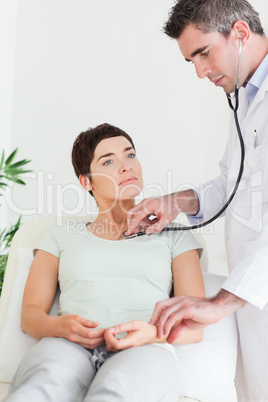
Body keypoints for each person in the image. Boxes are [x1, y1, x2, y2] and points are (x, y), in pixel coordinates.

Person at [125, 0, 268, 400]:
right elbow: (234, 181)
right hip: (255, 301)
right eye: (191, 61)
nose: (201, 72)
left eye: (203, 53)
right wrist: (177, 201)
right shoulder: (246, 97)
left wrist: (219, 304)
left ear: (239, 33)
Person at [4, 123, 205, 402]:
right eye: (108, 161)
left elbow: (195, 321)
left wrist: (150, 333)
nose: (125, 166)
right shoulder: (61, 234)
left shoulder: (175, 234)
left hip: (144, 347)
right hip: (68, 346)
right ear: (86, 181)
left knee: (115, 394)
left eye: (130, 155)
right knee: (40, 388)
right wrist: (58, 327)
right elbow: (30, 314)